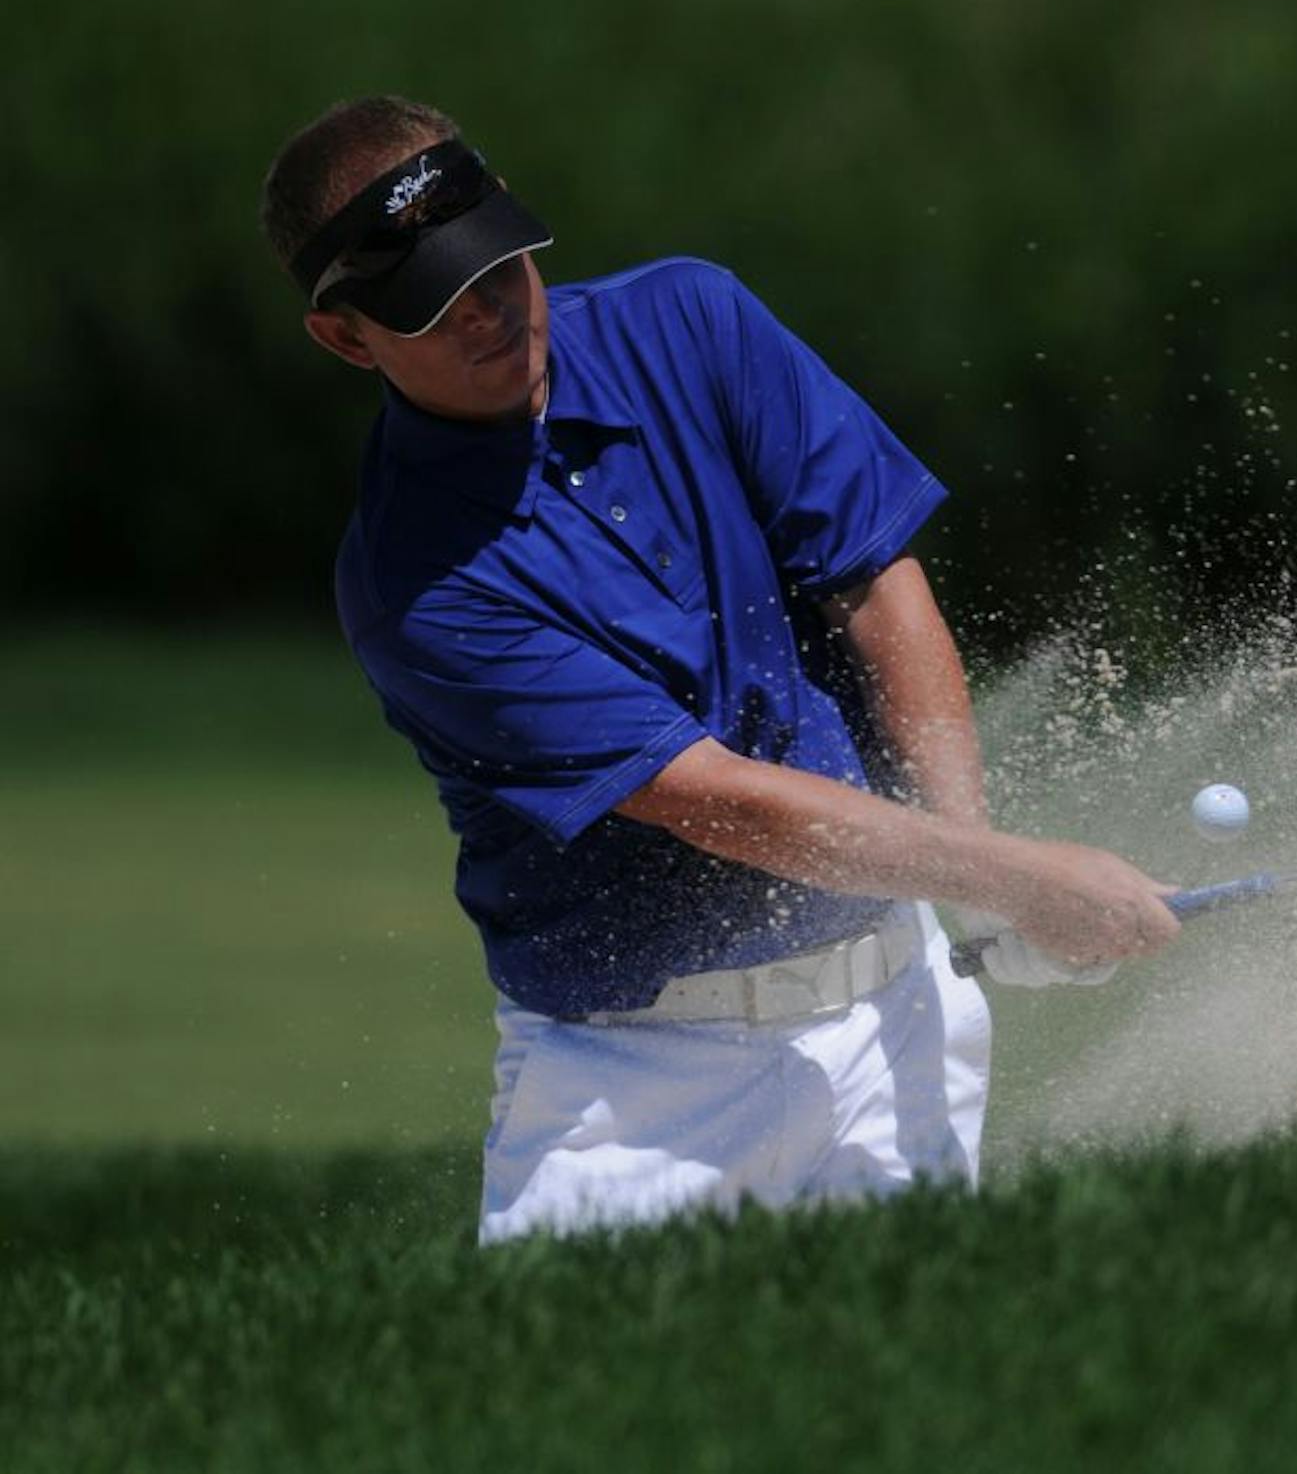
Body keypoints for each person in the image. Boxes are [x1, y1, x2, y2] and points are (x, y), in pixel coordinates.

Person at [260, 95, 1179, 1242]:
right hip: (636, 1092)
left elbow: (878, 586)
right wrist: (1013, 881)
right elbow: (708, 798)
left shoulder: (690, 322)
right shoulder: (415, 585)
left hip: (895, 1018)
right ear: (346, 337)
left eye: (497, 265)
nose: (492, 311)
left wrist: (974, 869)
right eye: (435, 304)